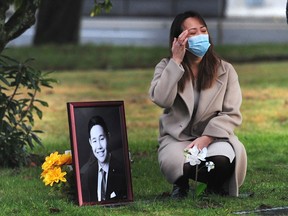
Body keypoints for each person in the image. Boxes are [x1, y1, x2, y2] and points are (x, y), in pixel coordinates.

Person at [149, 11, 247, 198]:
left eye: (203, 30)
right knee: (176, 164)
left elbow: (231, 113)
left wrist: (206, 138)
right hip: (177, 138)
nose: (201, 36)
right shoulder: (166, 66)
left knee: (221, 161)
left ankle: (214, 185)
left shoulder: (225, 70)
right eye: (192, 33)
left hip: (215, 137)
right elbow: (161, 99)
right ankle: (181, 184)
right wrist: (176, 62)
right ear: (179, 39)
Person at [80, 115, 127, 203]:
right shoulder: (88, 176)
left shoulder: (123, 171)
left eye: (101, 139)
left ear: (108, 137)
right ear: (90, 143)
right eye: (94, 141)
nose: (99, 147)